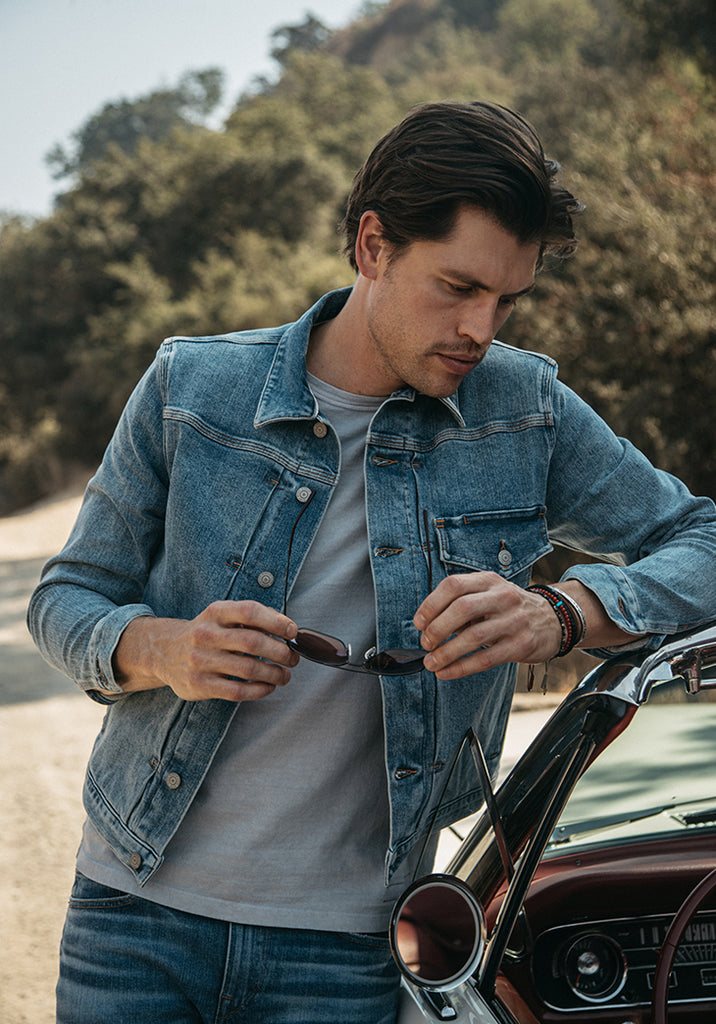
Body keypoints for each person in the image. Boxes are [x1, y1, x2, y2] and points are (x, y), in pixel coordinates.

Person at [28, 100, 716, 1024]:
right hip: (133, 920)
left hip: (350, 949)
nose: (480, 328)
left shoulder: (528, 411)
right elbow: (67, 598)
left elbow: (703, 538)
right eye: (458, 286)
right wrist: (164, 649)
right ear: (373, 246)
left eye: (507, 300)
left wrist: (563, 613)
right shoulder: (193, 388)